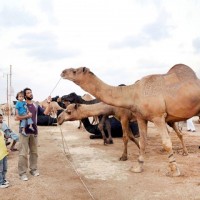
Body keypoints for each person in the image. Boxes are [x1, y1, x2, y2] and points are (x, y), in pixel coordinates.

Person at [15, 87, 52, 181]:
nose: (30, 94)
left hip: (34, 131)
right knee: (23, 153)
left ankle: (33, 169)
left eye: (31, 92)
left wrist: (48, 103)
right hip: (24, 132)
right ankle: (22, 173)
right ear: (24, 95)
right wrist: (27, 116)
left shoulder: (35, 105)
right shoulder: (21, 104)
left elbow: (45, 113)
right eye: (28, 93)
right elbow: (17, 117)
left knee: (34, 152)